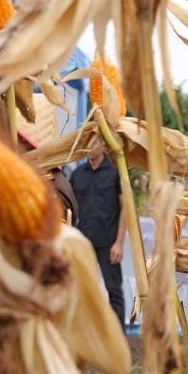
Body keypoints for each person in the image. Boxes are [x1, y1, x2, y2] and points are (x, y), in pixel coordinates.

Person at [70, 138, 127, 328]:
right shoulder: (77, 174)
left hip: (108, 243)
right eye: (86, 143)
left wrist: (119, 243)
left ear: (103, 144)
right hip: (83, 243)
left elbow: (126, 208)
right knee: (82, 289)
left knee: (114, 291)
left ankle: (118, 338)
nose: (89, 147)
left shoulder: (115, 173)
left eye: (93, 143)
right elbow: (70, 210)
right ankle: (87, 337)